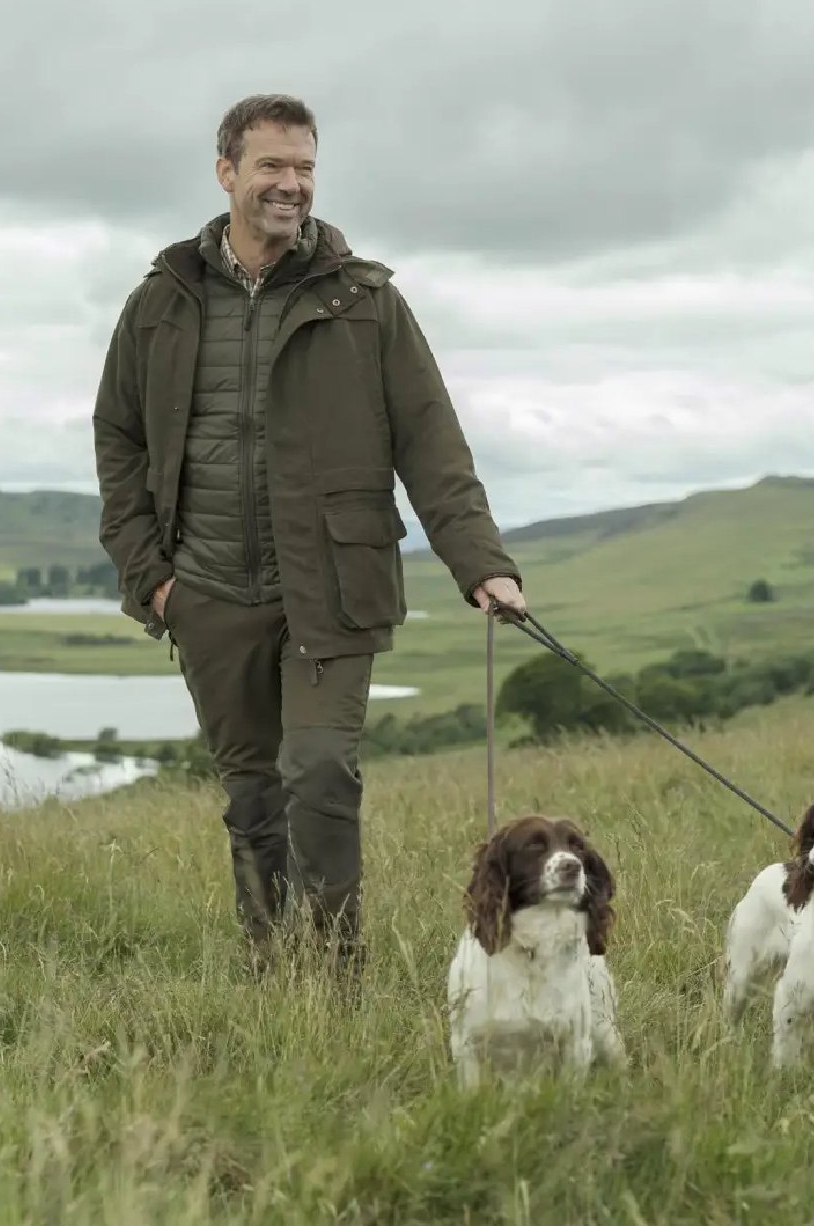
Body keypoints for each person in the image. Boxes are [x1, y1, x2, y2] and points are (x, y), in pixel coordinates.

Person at [92, 93, 525, 983]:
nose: (291, 185)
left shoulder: (364, 301)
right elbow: (118, 440)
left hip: (333, 584)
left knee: (319, 770)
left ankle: (333, 977)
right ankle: (270, 966)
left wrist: (481, 565)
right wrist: (153, 580)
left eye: (304, 167)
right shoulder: (160, 305)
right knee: (253, 795)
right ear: (227, 174)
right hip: (206, 591)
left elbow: (431, 438)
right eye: (272, 166)